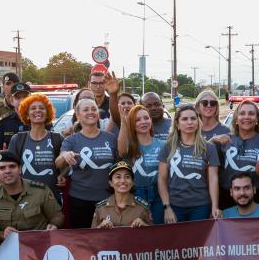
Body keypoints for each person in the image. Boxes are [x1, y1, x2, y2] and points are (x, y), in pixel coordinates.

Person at [58, 98, 117, 227]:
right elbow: (58, 163)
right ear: (78, 115)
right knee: (83, 237)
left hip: (108, 199)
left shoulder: (110, 138)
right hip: (79, 200)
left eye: (93, 109)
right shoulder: (71, 140)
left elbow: (119, 166)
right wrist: (65, 155)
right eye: (86, 110)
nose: (90, 112)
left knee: (107, 237)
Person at [158, 104, 221, 222]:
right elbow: (162, 179)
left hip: (201, 206)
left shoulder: (209, 148)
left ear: (198, 122)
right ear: (177, 124)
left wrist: (214, 206)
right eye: (185, 119)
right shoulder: (168, 147)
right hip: (175, 205)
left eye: (193, 118)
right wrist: (167, 207)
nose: (189, 122)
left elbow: (213, 179)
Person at [0, 151, 64, 240]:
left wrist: (54, 225)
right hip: (9, 246)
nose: (7, 171)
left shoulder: (40, 191)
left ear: (20, 169)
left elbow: (57, 216)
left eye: (12, 166)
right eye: (2, 168)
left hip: (39, 243)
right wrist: (2, 234)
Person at [210, 100, 259, 209]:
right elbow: (200, 154)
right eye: (242, 113)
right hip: (227, 197)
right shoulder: (224, 140)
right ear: (236, 119)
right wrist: (212, 140)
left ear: (257, 119)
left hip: (257, 196)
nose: (246, 117)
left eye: (251, 113)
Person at [8, 93, 64, 201]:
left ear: (47, 113)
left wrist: (63, 176)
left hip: (51, 199)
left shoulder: (57, 139)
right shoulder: (17, 139)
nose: (38, 110)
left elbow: (65, 168)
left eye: (42, 108)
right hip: (25, 199)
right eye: (33, 108)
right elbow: (10, 169)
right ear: (27, 114)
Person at [118, 104, 165, 224]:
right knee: (138, 230)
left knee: (157, 229)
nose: (143, 122)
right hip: (136, 194)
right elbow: (121, 151)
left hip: (159, 194)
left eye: (146, 118)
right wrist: (123, 122)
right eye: (137, 120)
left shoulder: (163, 144)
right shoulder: (129, 146)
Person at [92, 161, 152, 228]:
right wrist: (100, 227)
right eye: (118, 177)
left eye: (127, 177)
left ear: (132, 182)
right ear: (111, 183)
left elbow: (153, 233)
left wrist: (145, 226)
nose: (123, 181)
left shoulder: (143, 207)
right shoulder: (101, 208)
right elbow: (92, 233)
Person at [0, 83, 32, 149]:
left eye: (25, 97)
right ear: (12, 101)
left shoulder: (40, 121)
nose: (22, 100)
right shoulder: (3, 123)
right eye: (18, 98)